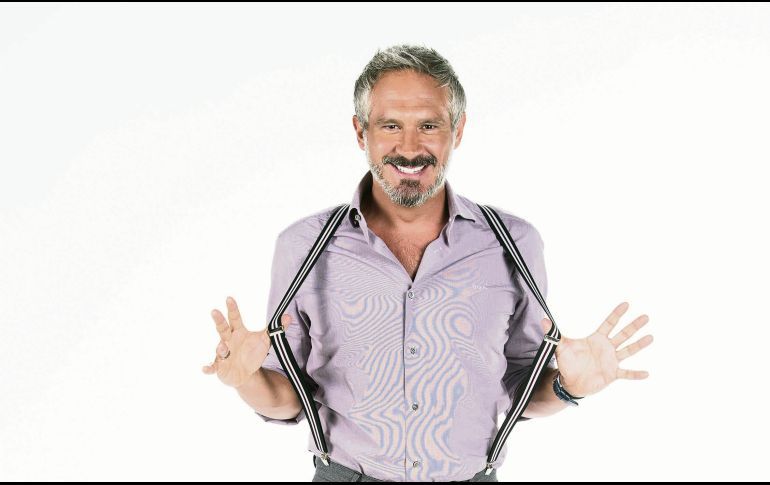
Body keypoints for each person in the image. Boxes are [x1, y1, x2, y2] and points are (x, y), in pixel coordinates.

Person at [201, 44, 654, 482]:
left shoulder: (514, 244)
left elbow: (520, 384)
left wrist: (568, 387)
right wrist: (246, 380)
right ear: (361, 132)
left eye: (429, 125)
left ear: (458, 130)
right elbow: (287, 396)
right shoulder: (304, 246)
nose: (410, 147)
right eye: (390, 125)